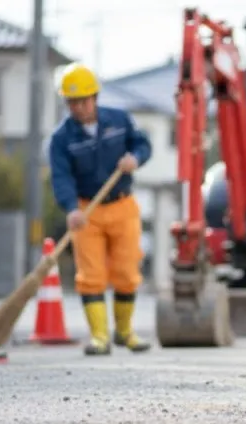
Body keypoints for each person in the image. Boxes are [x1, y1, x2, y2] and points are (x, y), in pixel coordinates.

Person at [48, 62, 153, 356]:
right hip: (86, 211)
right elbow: (61, 177)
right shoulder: (61, 139)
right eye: (72, 102)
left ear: (95, 97)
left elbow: (144, 144)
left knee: (126, 269)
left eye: (83, 100)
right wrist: (70, 208)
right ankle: (99, 337)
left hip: (122, 205)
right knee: (90, 274)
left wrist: (136, 158)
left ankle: (125, 332)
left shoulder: (119, 120)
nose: (79, 108)